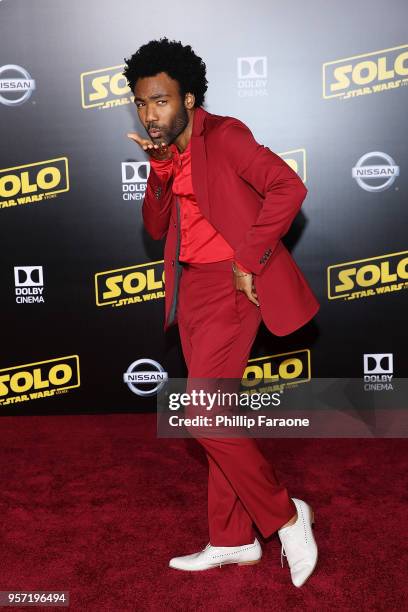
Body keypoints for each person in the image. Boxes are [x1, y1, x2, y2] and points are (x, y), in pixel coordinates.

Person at [123, 37, 319, 587]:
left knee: (204, 415)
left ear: (188, 97)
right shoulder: (169, 151)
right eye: (140, 102)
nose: (149, 113)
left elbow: (289, 185)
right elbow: (157, 227)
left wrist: (248, 260)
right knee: (218, 415)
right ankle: (232, 541)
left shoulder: (225, 135)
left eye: (160, 101)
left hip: (234, 290)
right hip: (192, 290)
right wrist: (160, 170)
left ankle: (285, 516)